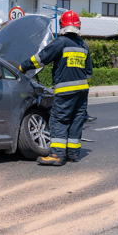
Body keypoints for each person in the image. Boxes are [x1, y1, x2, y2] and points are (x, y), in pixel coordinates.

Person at [20, 10, 92, 165]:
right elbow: (89, 73)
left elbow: (40, 59)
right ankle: (72, 154)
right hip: (82, 92)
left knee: (59, 120)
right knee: (76, 121)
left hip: (65, 92)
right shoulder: (83, 45)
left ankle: (57, 155)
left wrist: (22, 67)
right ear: (78, 25)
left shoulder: (60, 43)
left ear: (61, 25)